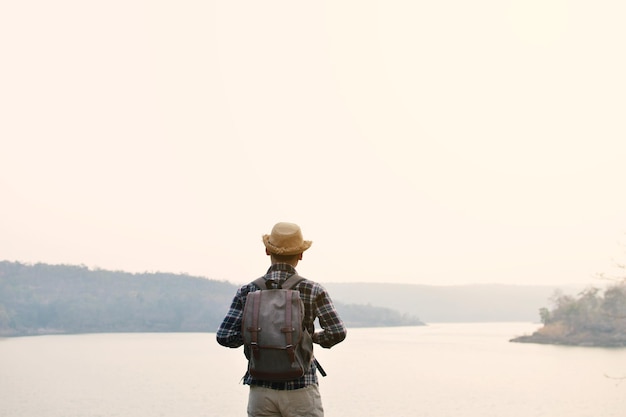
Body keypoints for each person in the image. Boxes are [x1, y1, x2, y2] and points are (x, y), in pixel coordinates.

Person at [217, 222, 347, 417]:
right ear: (301, 254)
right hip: (301, 388)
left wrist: (258, 338)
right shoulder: (313, 290)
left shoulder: (248, 291)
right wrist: (310, 337)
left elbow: (225, 336)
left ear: (267, 251)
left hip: (261, 389)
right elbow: (337, 332)